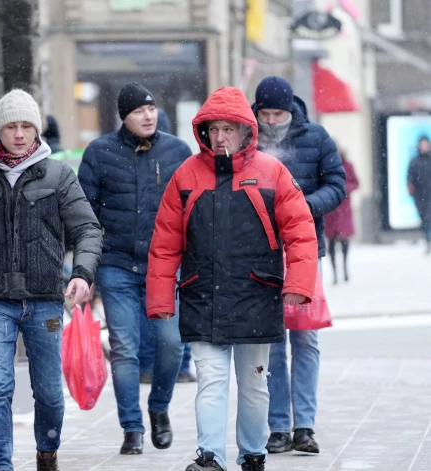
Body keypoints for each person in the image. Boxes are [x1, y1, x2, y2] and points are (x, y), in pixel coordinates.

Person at [147, 86, 318, 471]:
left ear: (245, 130)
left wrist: (298, 286)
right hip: (201, 295)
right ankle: (210, 458)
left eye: (229, 128)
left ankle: (252, 454)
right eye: (214, 128)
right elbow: (165, 244)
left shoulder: (273, 173)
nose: (220, 136)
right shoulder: (186, 176)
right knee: (211, 381)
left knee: (255, 385)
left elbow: (301, 232)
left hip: (256, 294)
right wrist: (160, 299)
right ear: (203, 131)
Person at [0, 89, 103, 471]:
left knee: (48, 394)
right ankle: (1, 465)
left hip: (45, 299)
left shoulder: (59, 175)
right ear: (0, 130)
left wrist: (81, 274)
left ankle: (47, 452)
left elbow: (89, 230)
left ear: (36, 130)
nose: (19, 133)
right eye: (11, 126)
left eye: (26, 126)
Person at [78, 83, 192, 455]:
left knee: (171, 344)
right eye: (139, 111)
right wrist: (86, 268)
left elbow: (193, 211)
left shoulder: (177, 152)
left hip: (164, 266)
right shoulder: (99, 153)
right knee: (124, 348)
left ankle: (159, 408)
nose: (148, 115)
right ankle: (132, 427)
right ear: (123, 117)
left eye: (152, 108)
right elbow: (85, 217)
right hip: (116, 265)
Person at [252, 76, 346, 454]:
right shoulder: (248, 138)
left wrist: (304, 206)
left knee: (306, 336)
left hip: (306, 250)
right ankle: (278, 426)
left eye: (278, 113)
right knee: (273, 340)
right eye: (265, 113)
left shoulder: (317, 137)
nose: (272, 121)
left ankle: (304, 425)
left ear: (291, 110)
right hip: (261, 252)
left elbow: (337, 185)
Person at [139, 107, 195, 385]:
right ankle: (180, 366)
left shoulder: (175, 154)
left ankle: (153, 365)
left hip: (166, 245)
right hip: (170, 245)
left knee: (156, 312)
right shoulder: (179, 153)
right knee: (174, 309)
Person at [325, 151, 360, 283]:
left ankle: (345, 269)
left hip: (344, 209)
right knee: (332, 243)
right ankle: (335, 273)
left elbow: (356, 183)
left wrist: (344, 188)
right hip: (330, 210)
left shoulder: (347, 165)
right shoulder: (325, 165)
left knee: (345, 241)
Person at [408, 135, 431, 255]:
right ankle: (427, 240)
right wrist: (413, 191)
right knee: (425, 220)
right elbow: (410, 178)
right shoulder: (415, 161)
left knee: (428, 218)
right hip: (420, 195)